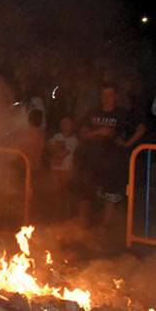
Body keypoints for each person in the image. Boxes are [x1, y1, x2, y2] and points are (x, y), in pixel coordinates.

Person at [75, 82, 146, 229]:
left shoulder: (122, 114)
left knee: (110, 194)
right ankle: (80, 227)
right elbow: (81, 132)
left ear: (116, 97)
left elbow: (141, 128)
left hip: (112, 162)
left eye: (110, 95)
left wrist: (127, 143)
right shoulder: (93, 113)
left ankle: (104, 228)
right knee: (85, 193)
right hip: (91, 160)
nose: (107, 98)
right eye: (104, 94)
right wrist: (97, 133)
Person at [48, 116, 78, 219]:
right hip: (55, 169)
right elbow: (49, 147)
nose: (64, 125)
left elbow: (63, 153)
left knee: (66, 194)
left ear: (72, 125)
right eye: (63, 123)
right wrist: (56, 150)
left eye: (67, 123)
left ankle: (67, 217)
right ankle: (55, 217)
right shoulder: (57, 136)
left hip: (66, 170)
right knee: (55, 194)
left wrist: (56, 149)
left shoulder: (73, 140)